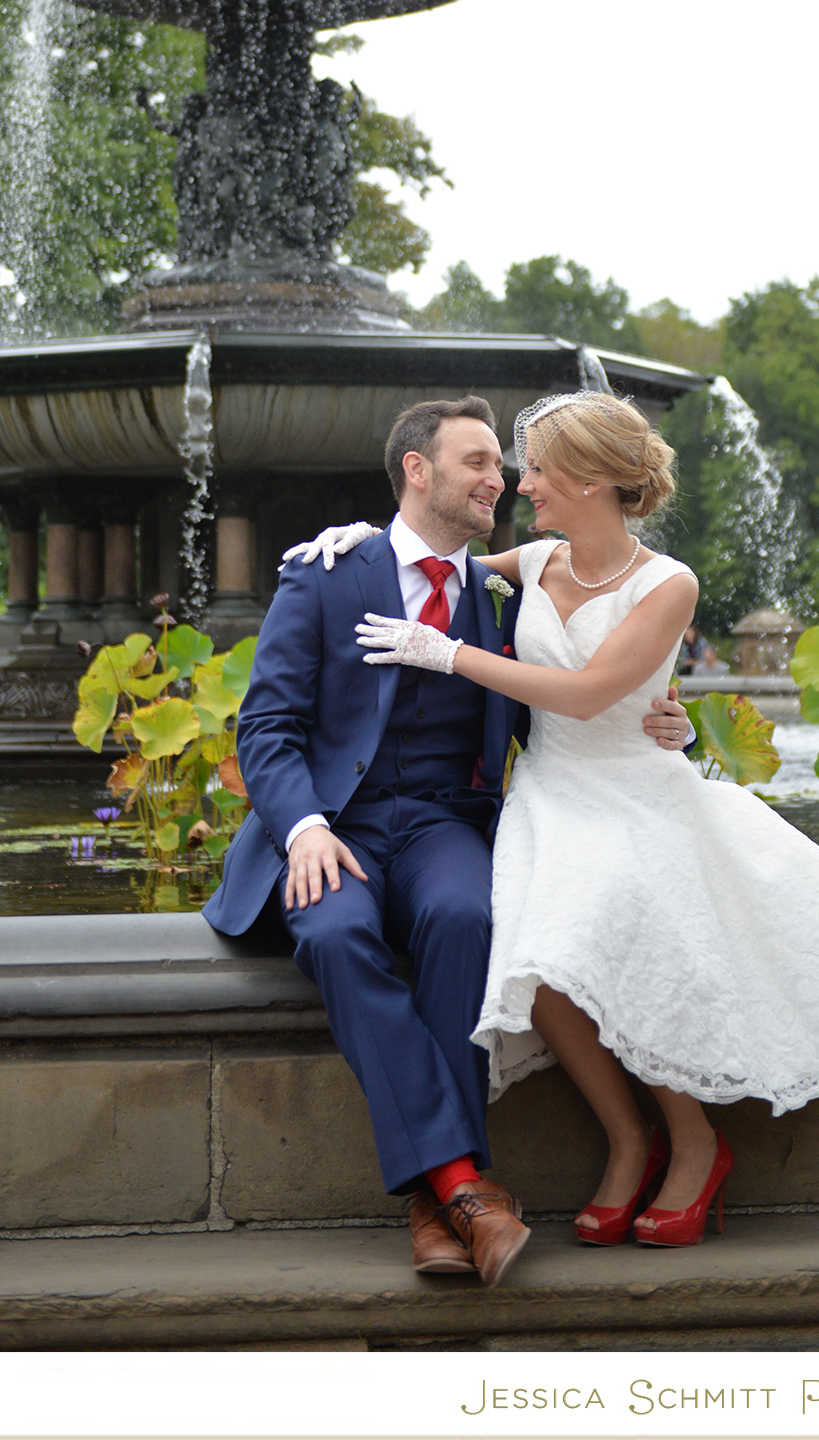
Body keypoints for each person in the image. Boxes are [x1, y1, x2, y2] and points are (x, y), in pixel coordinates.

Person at [351, 392, 819, 1249]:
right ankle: (627, 1139)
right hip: (552, 796)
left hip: (635, 790)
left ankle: (695, 1144)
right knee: (536, 961)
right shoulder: (533, 560)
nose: (522, 485)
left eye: (539, 470)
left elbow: (588, 693)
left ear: (592, 478)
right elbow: (428, 556)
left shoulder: (669, 583)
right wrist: (351, 539)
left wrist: (452, 655)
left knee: (625, 930)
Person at [201, 395, 696, 1285]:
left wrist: (665, 720)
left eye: (503, 465)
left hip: (444, 823)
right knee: (335, 932)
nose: (501, 479)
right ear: (416, 470)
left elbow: (580, 688)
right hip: (334, 826)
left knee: (469, 919)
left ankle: (442, 1202)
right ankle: (460, 1190)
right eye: (479, 462)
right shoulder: (326, 573)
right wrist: (303, 827)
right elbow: (266, 727)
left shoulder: (506, 590)